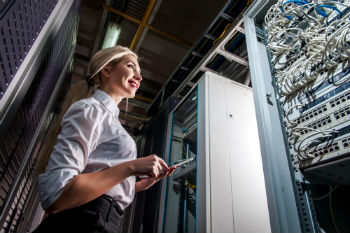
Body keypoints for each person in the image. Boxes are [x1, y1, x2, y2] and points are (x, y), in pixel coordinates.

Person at [33, 46, 177, 233]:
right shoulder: (91, 109)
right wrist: (130, 167)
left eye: (139, 72)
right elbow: (55, 194)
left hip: (102, 220)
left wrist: (138, 184)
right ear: (107, 70)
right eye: (131, 66)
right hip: (82, 221)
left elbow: (98, 178)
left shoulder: (109, 119)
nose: (139, 77)